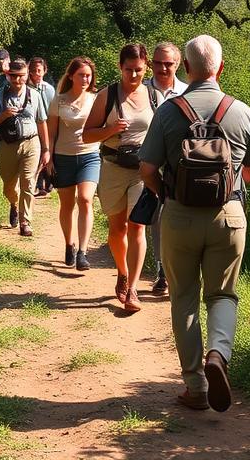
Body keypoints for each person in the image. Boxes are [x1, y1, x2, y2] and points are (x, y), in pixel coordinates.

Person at [139, 35, 250, 413]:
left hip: (178, 215)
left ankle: (195, 386)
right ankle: (219, 355)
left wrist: (168, 191)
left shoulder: (168, 111)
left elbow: (147, 169)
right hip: (228, 216)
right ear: (220, 68)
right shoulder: (240, 111)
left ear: (187, 69)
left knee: (183, 297)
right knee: (223, 294)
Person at [82, 43, 160, 313]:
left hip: (142, 169)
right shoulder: (107, 95)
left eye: (139, 70)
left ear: (146, 67)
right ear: (120, 67)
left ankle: (133, 288)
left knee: (137, 226)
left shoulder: (153, 96)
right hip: (113, 165)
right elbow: (87, 135)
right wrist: (110, 129)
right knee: (117, 229)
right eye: (129, 70)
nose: (134, 75)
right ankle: (122, 272)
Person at [45, 57, 101, 271]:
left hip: (90, 155)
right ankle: (69, 244)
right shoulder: (58, 100)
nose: (86, 79)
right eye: (81, 75)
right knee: (67, 205)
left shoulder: (96, 100)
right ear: (71, 76)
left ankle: (83, 252)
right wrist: (48, 156)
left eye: (88, 75)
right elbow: (51, 133)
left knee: (85, 199)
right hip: (64, 156)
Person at [0, 57, 50, 236]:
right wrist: (4, 115)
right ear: (8, 76)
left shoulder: (35, 95)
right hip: (8, 144)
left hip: (31, 142)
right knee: (8, 186)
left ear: (26, 75)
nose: (17, 80)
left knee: (28, 183)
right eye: (13, 76)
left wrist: (46, 149)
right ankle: (14, 204)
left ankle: (25, 222)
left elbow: (42, 121)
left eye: (21, 76)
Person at [143, 41, 188, 296]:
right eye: (158, 63)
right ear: (150, 63)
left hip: (172, 166)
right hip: (143, 162)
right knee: (143, 219)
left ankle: (163, 271)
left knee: (162, 219)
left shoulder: (186, 92)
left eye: (168, 63)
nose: (163, 68)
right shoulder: (139, 89)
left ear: (178, 64)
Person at [28, 57, 57, 195]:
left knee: (48, 154)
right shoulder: (26, 89)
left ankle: (49, 183)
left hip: (48, 127)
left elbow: (53, 110)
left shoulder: (49, 89)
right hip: (33, 128)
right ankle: (39, 185)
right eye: (34, 71)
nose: (37, 74)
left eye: (39, 70)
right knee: (36, 155)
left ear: (44, 71)